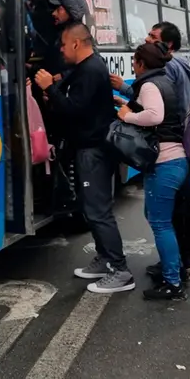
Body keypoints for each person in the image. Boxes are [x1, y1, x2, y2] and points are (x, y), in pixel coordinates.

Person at [33, 23, 132, 293]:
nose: (61, 51)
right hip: (88, 147)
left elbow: (74, 110)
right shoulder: (87, 68)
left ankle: (119, 269)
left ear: (76, 44)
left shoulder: (90, 70)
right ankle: (104, 259)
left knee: (98, 211)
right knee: (91, 209)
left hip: (94, 150)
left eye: (63, 45)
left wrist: (50, 90)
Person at [114, 43, 189, 300]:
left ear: (141, 63)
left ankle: (173, 283)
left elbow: (155, 116)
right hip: (173, 161)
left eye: (134, 62)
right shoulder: (162, 81)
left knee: (160, 223)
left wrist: (127, 117)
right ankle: (176, 269)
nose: (133, 67)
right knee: (158, 217)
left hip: (166, 163)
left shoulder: (148, 85)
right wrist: (127, 105)